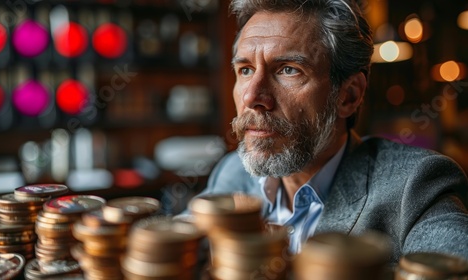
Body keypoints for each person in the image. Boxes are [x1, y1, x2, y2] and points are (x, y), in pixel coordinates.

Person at [184, 0, 468, 264]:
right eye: (245, 70)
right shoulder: (231, 172)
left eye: (287, 70)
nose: (252, 97)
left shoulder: (416, 186)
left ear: (348, 96)